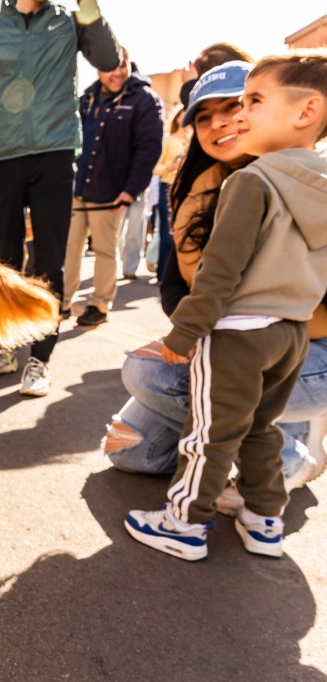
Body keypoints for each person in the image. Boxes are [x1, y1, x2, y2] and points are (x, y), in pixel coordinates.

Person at [124, 56, 327, 561]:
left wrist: (183, 334)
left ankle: (182, 524)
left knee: (209, 435)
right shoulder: (317, 185)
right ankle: (264, 522)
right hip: (292, 335)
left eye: (253, 102)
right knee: (262, 430)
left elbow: (221, 271)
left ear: (307, 111)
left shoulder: (252, 181)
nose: (238, 116)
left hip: (239, 333)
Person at [0, 0, 120, 396]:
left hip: (54, 154)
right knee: (5, 263)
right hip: (1, 158)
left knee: (50, 260)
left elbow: (108, 57)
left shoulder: (71, 23)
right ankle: (5, 349)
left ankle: (41, 358)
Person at [63, 47, 163, 328]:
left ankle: (99, 304)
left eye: (122, 66)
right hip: (78, 187)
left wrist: (131, 189)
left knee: (106, 250)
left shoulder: (144, 100)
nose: (117, 73)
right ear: (98, 69)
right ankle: (64, 301)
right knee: (70, 248)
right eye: (110, 67)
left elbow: (149, 149)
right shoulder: (87, 98)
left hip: (112, 190)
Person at [150, 106, 188, 281]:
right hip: (168, 187)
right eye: (184, 114)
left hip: (187, 189)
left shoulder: (195, 141)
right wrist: (170, 167)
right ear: (178, 117)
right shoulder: (168, 141)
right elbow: (155, 167)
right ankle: (163, 274)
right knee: (166, 233)